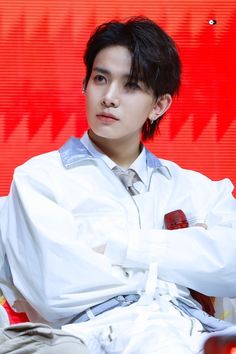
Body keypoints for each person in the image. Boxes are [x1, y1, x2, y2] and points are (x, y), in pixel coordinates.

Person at [0, 16, 236, 354]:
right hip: (90, 339)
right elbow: (59, 290)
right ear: (85, 85)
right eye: (100, 79)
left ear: (159, 105)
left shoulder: (197, 189)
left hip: (192, 335)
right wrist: (187, 252)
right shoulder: (40, 179)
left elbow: (232, 267)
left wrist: (121, 246)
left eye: (131, 85)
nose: (109, 97)